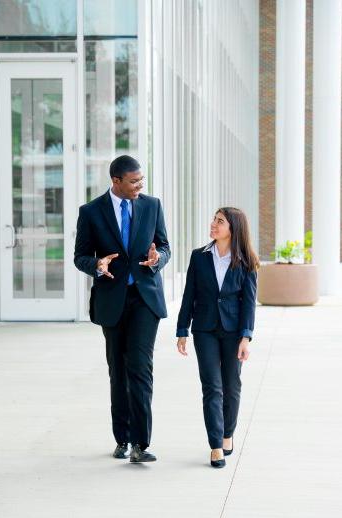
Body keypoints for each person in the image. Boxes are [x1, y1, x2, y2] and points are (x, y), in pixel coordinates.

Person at [74, 155, 170, 463]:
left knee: (140, 369)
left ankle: (141, 444)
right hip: (112, 300)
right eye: (134, 181)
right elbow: (80, 256)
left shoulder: (152, 205)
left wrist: (159, 259)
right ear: (116, 181)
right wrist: (97, 265)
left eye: (142, 180)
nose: (140, 186)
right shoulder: (90, 212)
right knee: (118, 370)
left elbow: (164, 246)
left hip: (145, 298)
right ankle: (122, 439)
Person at [176, 207, 259, 468]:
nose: (213, 224)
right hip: (205, 329)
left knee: (231, 385)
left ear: (233, 228)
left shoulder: (247, 261)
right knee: (212, 387)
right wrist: (182, 330)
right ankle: (215, 446)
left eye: (219, 221)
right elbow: (190, 295)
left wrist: (246, 337)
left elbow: (249, 302)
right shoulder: (199, 257)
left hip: (234, 331)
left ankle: (226, 434)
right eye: (214, 219)